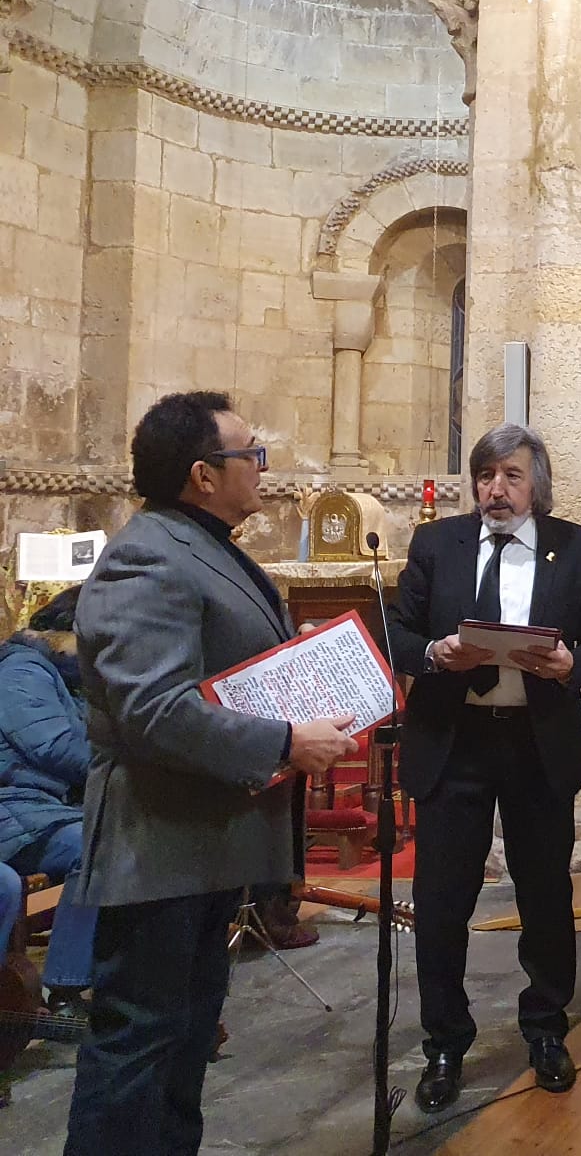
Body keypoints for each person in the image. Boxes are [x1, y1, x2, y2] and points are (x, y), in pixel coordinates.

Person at [63, 392, 357, 1156]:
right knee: (138, 1047)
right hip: (158, 844)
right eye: (249, 454)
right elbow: (154, 710)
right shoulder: (146, 556)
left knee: (186, 1041)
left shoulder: (201, 543)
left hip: (200, 839)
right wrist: (284, 739)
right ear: (202, 474)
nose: (262, 467)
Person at [389, 423, 581, 1113]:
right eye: (486, 474)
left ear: (536, 484)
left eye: (511, 475)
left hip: (535, 743)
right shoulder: (438, 543)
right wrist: (434, 653)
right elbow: (396, 629)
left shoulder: (576, 548)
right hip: (453, 742)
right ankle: (443, 1043)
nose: (496, 488)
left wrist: (571, 664)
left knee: (545, 896)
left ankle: (546, 1029)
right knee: (441, 904)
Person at [0, 587, 97, 1018]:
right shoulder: (23, 671)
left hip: (36, 807)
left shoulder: (58, 672)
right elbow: (54, 746)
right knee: (97, 844)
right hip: (12, 808)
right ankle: (68, 988)